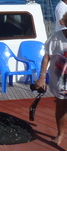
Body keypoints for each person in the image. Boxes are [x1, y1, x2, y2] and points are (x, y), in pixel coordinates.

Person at [35, 13, 67, 146]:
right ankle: (60, 133)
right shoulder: (56, 38)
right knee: (61, 106)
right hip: (60, 81)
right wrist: (42, 77)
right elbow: (46, 57)